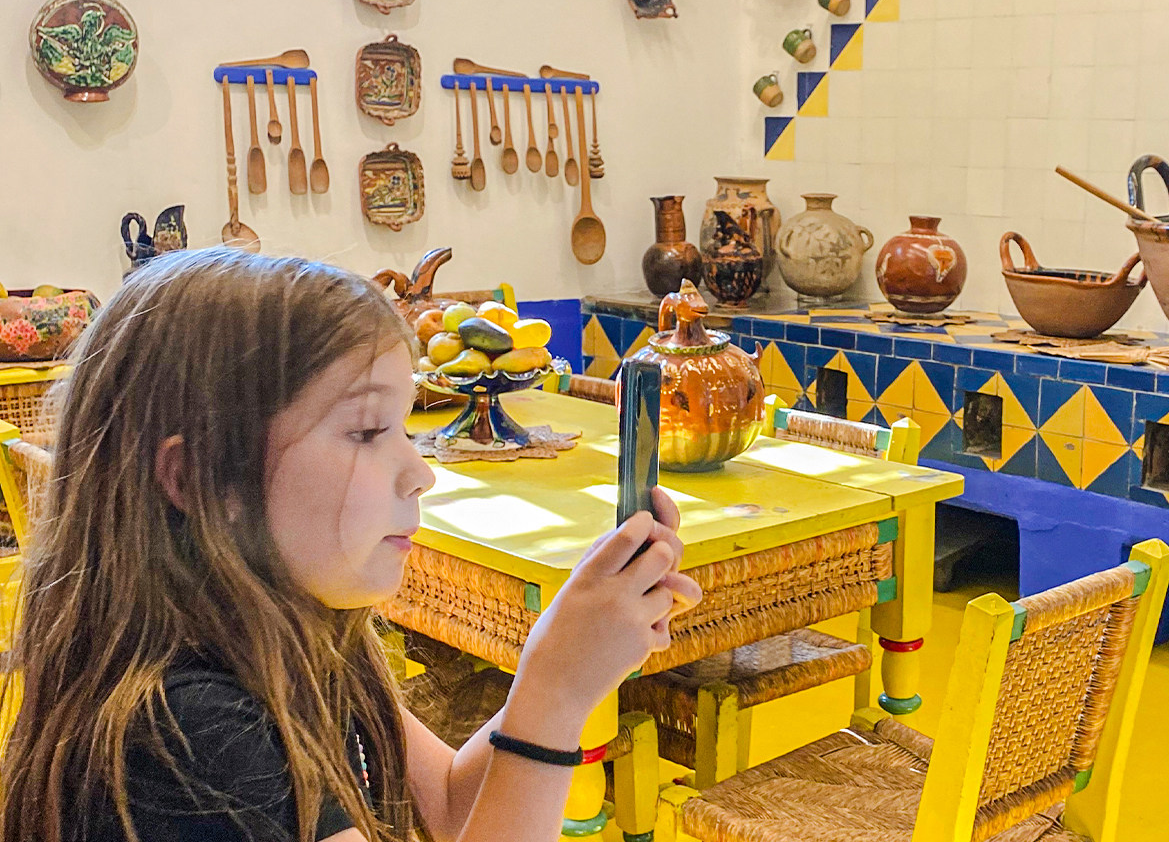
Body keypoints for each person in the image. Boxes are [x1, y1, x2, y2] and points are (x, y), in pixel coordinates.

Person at [0, 249, 700, 842]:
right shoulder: (184, 734)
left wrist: (573, 667)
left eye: (405, 426)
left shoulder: (304, 638)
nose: (419, 472)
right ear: (198, 478)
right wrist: (555, 694)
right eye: (368, 432)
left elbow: (450, 805)